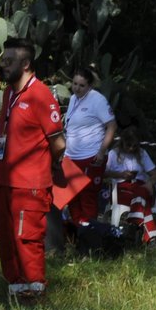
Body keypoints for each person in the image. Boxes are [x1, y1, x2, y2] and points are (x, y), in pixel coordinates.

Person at [0, 38, 65, 301]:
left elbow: (58, 142)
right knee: (7, 238)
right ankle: (15, 291)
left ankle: (36, 293)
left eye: (8, 61)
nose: (3, 65)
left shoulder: (40, 95)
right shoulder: (10, 93)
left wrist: (49, 164)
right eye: (3, 60)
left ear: (25, 64)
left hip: (30, 184)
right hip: (5, 179)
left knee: (27, 238)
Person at [60, 65, 114, 228]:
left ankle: (90, 236)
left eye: (81, 85)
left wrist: (102, 151)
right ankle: (77, 234)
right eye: (75, 84)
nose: (77, 88)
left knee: (87, 197)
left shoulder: (98, 100)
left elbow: (112, 126)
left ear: (89, 85)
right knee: (72, 197)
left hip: (91, 156)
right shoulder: (74, 99)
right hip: (71, 156)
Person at [104, 126, 156, 245]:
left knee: (141, 193)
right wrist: (121, 174)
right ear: (122, 142)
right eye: (128, 145)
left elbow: (155, 173)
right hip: (122, 188)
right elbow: (104, 172)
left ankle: (133, 226)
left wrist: (150, 182)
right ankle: (150, 237)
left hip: (140, 187)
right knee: (141, 198)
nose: (131, 148)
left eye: (134, 146)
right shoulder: (113, 154)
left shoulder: (142, 153)